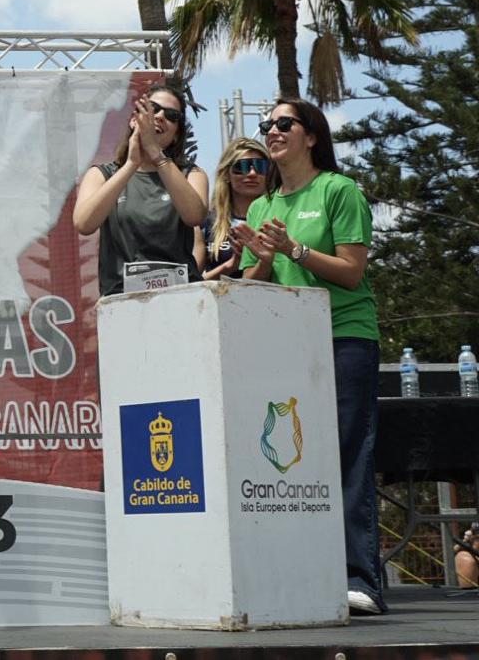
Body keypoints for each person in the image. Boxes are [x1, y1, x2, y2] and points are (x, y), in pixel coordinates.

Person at [231, 97, 385, 616]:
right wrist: (266, 258)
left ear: (311, 136)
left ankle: (361, 580)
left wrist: (295, 250)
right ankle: (300, 575)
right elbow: (257, 281)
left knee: (346, 457)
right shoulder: (260, 207)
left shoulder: (338, 191)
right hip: (287, 346)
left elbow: (351, 272)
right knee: (291, 465)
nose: (271, 132)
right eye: (266, 125)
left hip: (344, 338)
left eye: (283, 124)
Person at [73, 83, 208, 295]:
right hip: (122, 298)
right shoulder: (102, 174)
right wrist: (130, 165)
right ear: (134, 119)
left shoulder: (192, 174)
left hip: (182, 296)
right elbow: (84, 223)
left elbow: (194, 216)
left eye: (172, 115)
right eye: (153, 108)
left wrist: (156, 153)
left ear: (176, 134)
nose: (161, 116)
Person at [200, 138, 269, 279]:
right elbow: (195, 283)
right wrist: (232, 265)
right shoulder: (207, 222)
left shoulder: (277, 217)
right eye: (242, 167)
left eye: (260, 166)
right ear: (226, 174)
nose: (252, 173)